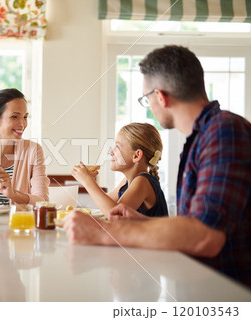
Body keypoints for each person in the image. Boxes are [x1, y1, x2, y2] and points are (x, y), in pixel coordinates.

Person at [64, 45, 251, 287]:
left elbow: (206, 236)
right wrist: (144, 221)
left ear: (160, 96)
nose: (150, 106)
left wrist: (103, 232)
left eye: (146, 99)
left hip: (226, 293)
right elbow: (197, 223)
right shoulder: (202, 138)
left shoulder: (224, 132)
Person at [72, 122, 168, 217]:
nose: (111, 152)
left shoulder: (143, 181)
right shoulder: (128, 180)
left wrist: (88, 182)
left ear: (136, 155)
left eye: (117, 147)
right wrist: (90, 180)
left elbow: (115, 214)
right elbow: (106, 201)